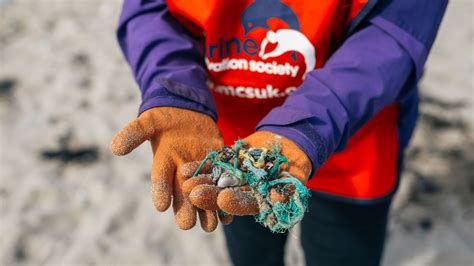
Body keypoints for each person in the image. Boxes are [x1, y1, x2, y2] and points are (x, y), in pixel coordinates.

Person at [110, 0, 448, 265]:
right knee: (250, 250)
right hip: (228, 146)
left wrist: (304, 127)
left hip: (355, 153)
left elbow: (394, 34)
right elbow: (151, 10)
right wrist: (178, 90)